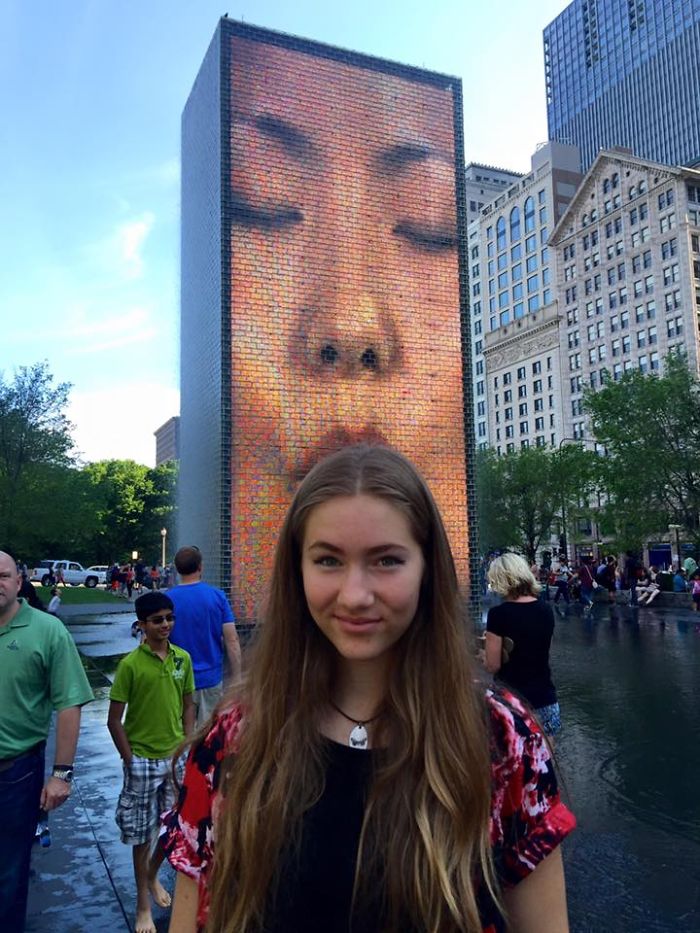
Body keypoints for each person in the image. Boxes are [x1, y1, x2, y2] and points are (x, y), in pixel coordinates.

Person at [162, 445, 574, 932]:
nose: (355, 596)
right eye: (328, 560)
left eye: (386, 561)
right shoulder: (233, 737)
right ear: (297, 571)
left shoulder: (505, 737)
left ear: (427, 570)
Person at [218, 29, 471, 621]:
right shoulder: (232, 720)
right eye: (263, 199)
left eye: (425, 223)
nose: (350, 327)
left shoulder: (503, 718)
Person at [0, 550, 93, 932]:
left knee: (8, 872)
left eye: (2, 575)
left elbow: (69, 703)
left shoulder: (46, 630)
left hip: (15, 774)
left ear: (19, 582)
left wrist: (61, 774)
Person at [107, 591, 195, 933]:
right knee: (142, 833)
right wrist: (130, 760)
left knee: (173, 829)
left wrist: (187, 744)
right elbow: (115, 719)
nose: (166, 625)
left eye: (170, 618)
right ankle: (142, 902)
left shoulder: (181, 659)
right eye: (158, 620)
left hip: (175, 758)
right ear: (142, 625)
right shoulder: (130, 665)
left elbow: (189, 705)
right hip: (142, 760)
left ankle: (154, 874)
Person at [484, 553, 562, 739]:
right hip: (546, 699)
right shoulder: (545, 609)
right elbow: (544, 650)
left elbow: (492, 665)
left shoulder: (498, 614)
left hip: (512, 702)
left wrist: (483, 654)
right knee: (546, 764)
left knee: (517, 765)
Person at [168, 547, 241, 727]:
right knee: (208, 735)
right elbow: (232, 640)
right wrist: (237, 677)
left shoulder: (167, 600)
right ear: (201, 567)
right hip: (211, 679)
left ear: (177, 569)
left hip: (177, 679)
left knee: (180, 736)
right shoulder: (217, 597)